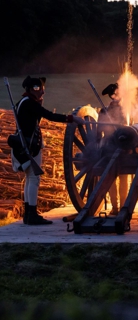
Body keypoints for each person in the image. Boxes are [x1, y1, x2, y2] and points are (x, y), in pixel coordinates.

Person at [11, 76, 85, 225]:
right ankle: (31, 214)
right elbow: (49, 115)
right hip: (29, 147)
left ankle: (29, 214)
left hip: (25, 145)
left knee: (30, 178)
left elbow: (36, 120)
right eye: (40, 89)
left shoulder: (25, 103)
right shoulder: (30, 103)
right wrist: (71, 119)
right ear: (32, 89)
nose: (43, 92)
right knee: (33, 179)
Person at [99, 83, 128, 215]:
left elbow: (99, 132)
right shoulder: (121, 110)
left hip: (113, 147)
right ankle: (120, 206)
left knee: (115, 178)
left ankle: (117, 207)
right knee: (121, 177)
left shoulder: (104, 111)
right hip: (116, 147)